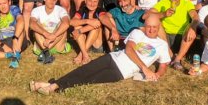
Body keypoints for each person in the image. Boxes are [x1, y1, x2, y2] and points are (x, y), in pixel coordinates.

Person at [29, 13, 170, 94]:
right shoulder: (138, 32)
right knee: (83, 71)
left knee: (88, 79)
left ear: (159, 27)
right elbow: (129, 50)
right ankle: (52, 87)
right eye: (149, 26)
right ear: (145, 26)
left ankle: (47, 85)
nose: (151, 29)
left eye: (154, 27)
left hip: (121, 72)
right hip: (111, 58)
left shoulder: (162, 45)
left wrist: (157, 74)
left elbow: (164, 64)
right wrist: (145, 68)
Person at [155, 0, 199, 66]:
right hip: (165, 37)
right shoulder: (163, 2)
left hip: (182, 38)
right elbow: (147, 15)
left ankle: (177, 60)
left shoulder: (187, 3)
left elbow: (195, 16)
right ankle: (171, 55)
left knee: (191, 28)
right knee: (155, 22)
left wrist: (192, 27)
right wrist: (163, 14)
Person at [28, 0, 70, 64]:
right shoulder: (36, 10)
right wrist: (47, 34)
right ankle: (46, 52)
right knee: (36, 24)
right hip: (42, 42)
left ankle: (45, 51)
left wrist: (53, 36)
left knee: (62, 25)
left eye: (54, 0)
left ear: (57, 0)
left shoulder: (61, 10)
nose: (51, 2)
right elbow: (31, 24)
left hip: (57, 44)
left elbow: (66, 23)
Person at [69, 0, 108, 65]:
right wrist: (87, 21)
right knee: (77, 26)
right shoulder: (82, 10)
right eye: (90, 1)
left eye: (95, 1)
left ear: (98, 2)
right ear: (85, 0)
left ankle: (81, 55)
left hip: (97, 45)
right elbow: (72, 22)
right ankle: (85, 55)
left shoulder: (101, 10)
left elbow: (98, 23)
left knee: (96, 27)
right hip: (85, 45)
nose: (92, 4)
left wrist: (80, 31)